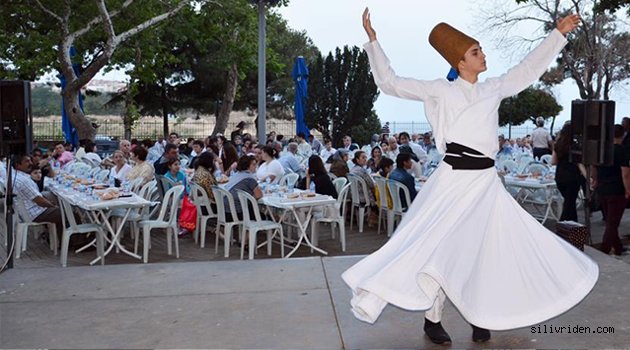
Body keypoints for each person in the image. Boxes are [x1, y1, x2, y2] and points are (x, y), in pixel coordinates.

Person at [342, 9, 597, 345]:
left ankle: (482, 314)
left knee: (486, 249)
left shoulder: (493, 88)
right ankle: (432, 320)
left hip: (485, 182)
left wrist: (558, 34)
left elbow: (528, 69)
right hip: (451, 181)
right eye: (476, 52)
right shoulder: (440, 91)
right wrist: (373, 42)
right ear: (461, 62)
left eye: (481, 50)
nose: (483, 55)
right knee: (438, 248)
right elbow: (391, 82)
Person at [592, 125, 630, 256]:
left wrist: (595, 180)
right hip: (617, 189)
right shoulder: (623, 151)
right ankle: (605, 249)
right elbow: (625, 174)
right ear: (623, 135)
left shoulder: (602, 150)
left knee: (610, 219)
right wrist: (628, 189)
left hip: (603, 187)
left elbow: (594, 167)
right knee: (613, 223)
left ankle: (618, 247)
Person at [12, 154, 63, 241]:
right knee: (65, 213)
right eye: (27, 161)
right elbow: (40, 201)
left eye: (30, 160)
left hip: (26, 210)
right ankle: (75, 242)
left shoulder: (15, 175)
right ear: (18, 165)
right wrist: (52, 205)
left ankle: (55, 237)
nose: (30, 163)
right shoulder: (24, 180)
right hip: (34, 213)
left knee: (52, 199)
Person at [552, 123, 586, 221]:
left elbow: (553, 161)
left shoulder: (557, 145)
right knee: (569, 204)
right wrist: (588, 178)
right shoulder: (574, 146)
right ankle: (563, 227)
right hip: (572, 177)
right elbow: (579, 164)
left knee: (569, 203)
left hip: (560, 176)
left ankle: (573, 226)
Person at [224, 155, 263, 221]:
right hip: (236, 212)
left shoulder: (237, 174)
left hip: (225, 210)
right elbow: (259, 195)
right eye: (253, 165)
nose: (255, 166)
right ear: (247, 165)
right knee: (262, 215)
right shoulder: (249, 179)